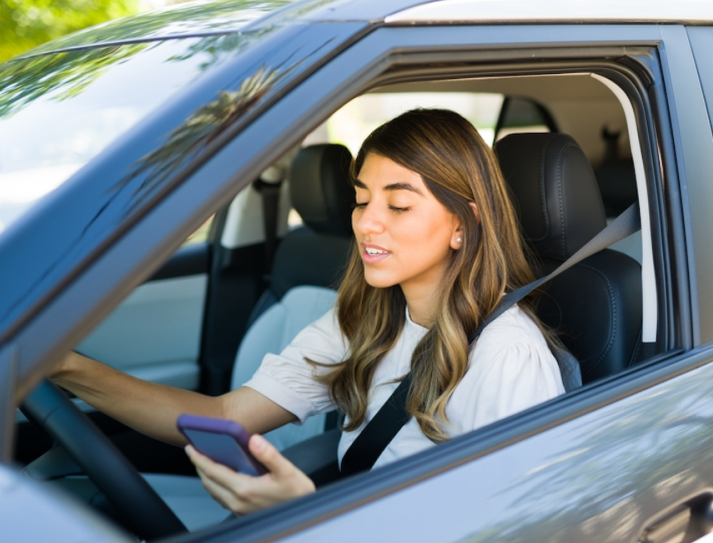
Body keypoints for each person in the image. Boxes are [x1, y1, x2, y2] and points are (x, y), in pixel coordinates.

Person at [50, 108, 565, 515]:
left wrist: (303, 515)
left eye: (399, 205)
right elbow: (225, 416)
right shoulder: (365, 318)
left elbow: (511, 533)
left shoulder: (507, 355)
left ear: (462, 224)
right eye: (362, 200)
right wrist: (66, 369)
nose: (367, 224)